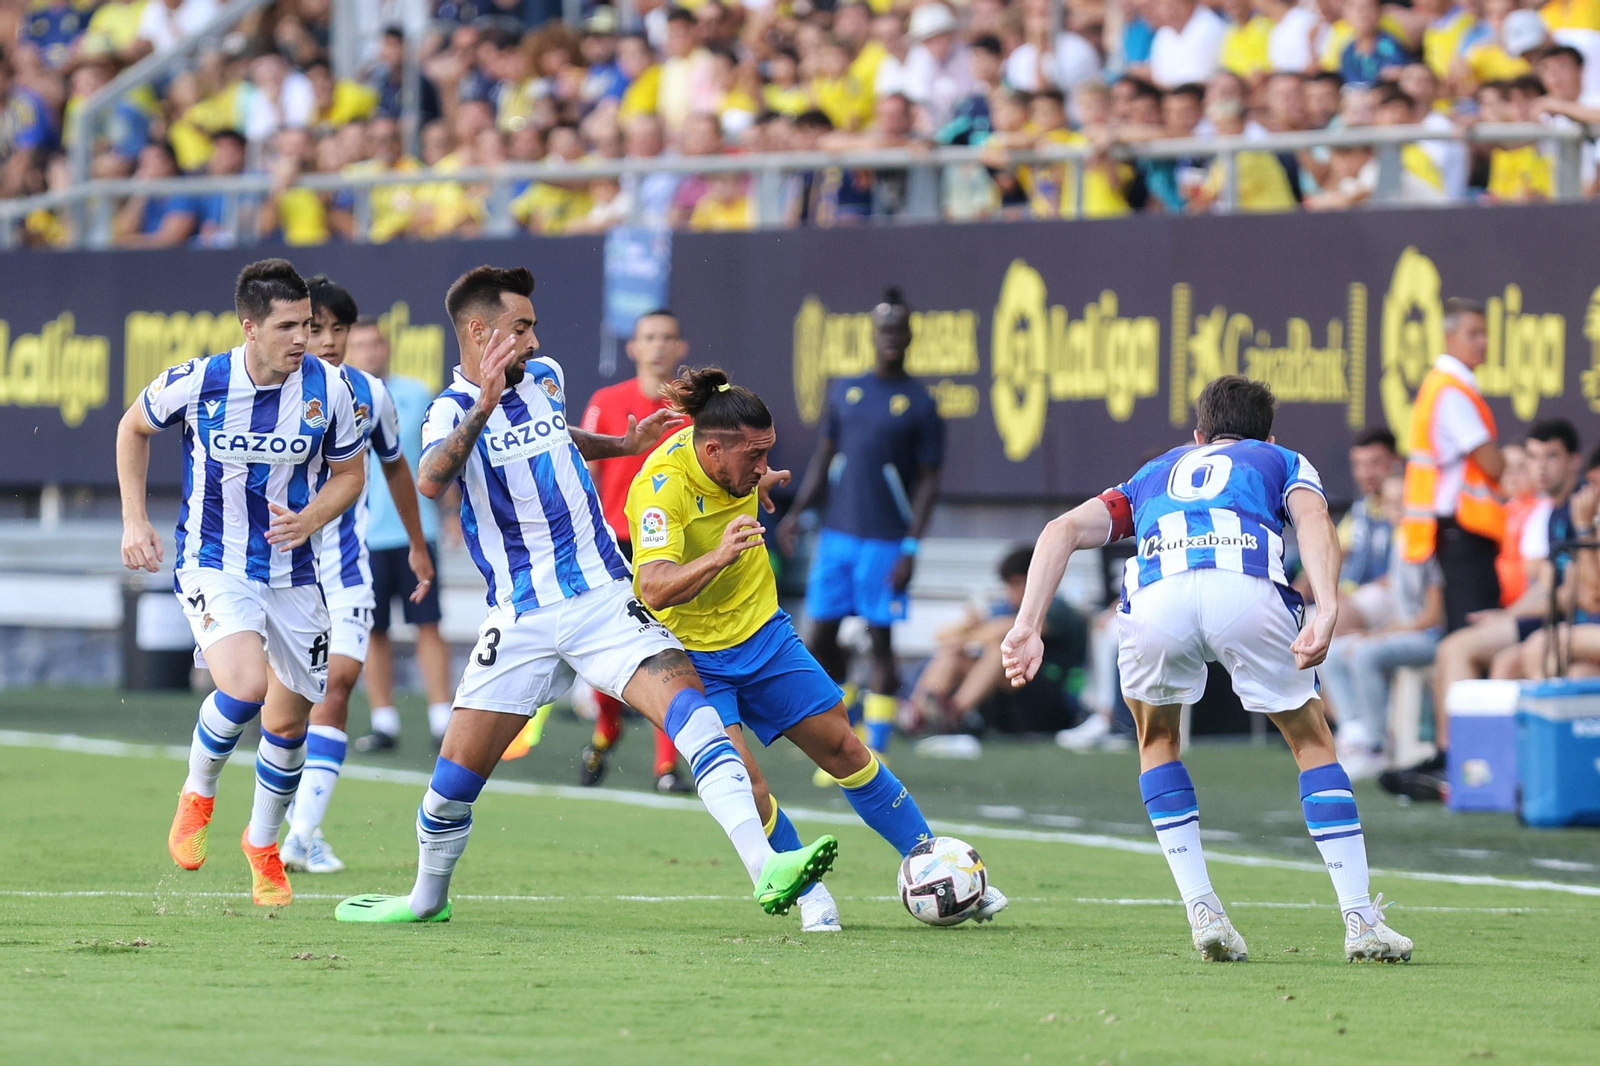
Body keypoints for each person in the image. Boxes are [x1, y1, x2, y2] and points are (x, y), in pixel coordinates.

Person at [334, 266, 836, 925]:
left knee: (696, 716)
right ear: (481, 334)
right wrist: (483, 404)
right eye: (522, 328)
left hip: (604, 596)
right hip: (521, 614)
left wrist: (620, 444)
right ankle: (425, 898)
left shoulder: (546, 379)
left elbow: (553, 439)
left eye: (535, 327)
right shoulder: (450, 410)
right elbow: (430, 479)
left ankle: (765, 867)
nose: (536, 340)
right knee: (452, 781)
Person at [1001, 375, 1413, 964]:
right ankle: (1359, 920)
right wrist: (1325, 607)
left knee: (1157, 739)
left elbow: (1060, 530)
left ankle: (1203, 910)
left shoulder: (1154, 473)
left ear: (1198, 436)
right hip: (1244, 585)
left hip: (1158, 594)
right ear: (1267, 434)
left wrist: (1027, 623)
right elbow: (1314, 521)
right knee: (1311, 741)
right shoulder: (1281, 459)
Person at [627, 367, 1006, 931]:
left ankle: (936, 865)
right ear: (711, 450)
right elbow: (652, 587)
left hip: (763, 634)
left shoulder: (730, 466)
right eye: (753, 458)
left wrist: (755, 484)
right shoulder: (658, 487)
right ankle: (810, 895)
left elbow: (732, 485)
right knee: (747, 784)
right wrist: (718, 556)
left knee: (844, 748)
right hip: (696, 657)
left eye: (766, 454)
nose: (762, 465)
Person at [117, 259, 368, 906]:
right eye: (288, 326)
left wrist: (310, 517)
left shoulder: (332, 389)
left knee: (289, 725)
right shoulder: (201, 381)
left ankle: (262, 844)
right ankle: (198, 794)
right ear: (249, 326)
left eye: (308, 325)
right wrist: (135, 520)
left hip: (294, 575)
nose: (303, 339)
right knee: (247, 686)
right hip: (215, 561)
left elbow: (349, 474)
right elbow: (132, 427)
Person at [279, 279, 434, 874]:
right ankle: (279, 819)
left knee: (337, 682)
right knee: (284, 703)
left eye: (337, 330)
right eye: (316, 329)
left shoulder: (372, 395)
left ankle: (302, 833)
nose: (328, 340)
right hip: (275, 568)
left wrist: (418, 544)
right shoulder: (267, 390)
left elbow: (397, 468)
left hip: (346, 564)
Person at [777, 288, 944, 769]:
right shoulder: (846, 390)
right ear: (872, 335)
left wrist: (911, 545)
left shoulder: (919, 403)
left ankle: (879, 748)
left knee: (881, 639)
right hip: (837, 536)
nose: (891, 338)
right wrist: (798, 513)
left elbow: (929, 481)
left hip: (885, 540)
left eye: (899, 330)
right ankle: (842, 725)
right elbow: (824, 457)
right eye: (883, 329)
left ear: (910, 336)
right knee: (821, 637)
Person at [1384, 418, 1579, 800]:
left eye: (1550, 457)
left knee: (1460, 649)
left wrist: (1508, 615)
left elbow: (1557, 589)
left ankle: (1464, 762)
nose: (1540, 468)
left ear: (1573, 461)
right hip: (1535, 616)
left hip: (1553, 620)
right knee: (1459, 649)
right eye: (1533, 458)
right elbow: (1545, 585)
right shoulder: (1547, 511)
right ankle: (1464, 763)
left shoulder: (1563, 510)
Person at [576, 308, 693, 793]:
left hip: (671, 547)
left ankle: (665, 766)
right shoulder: (607, 401)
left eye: (668, 337)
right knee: (603, 653)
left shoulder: (694, 412)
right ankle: (608, 727)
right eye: (650, 337)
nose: (659, 346)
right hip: (614, 547)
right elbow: (584, 475)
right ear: (634, 348)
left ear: (681, 348)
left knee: (670, 649)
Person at [348, 318, 458, 755]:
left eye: (374, 343)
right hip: (361, 536)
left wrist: (450, 514)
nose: (368, 352)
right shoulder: (339, 400)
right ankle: (384, 720)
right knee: (373, 630)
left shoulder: (416, 393)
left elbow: (441, 459)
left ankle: (440, 718)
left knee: (427, 624)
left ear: (386, 348)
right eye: (359, 345)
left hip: (416, 531)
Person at [1320, 473, 1445, 779]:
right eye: (1391, 504)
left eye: (1403, 503)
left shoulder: (1428, 545)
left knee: (1365, 653)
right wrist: (1377, 633)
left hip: (1429, 638)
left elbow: (1432, 617)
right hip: (1406, 632)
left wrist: (1379, 634)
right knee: (1335, 651)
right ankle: (1354, 732)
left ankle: (1376, 746)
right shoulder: (1400, 543)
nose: (1397, 510)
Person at [1398, 298, 1506, 635]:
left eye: (1485, 333)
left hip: (1452, 532)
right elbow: (1493, 464)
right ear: (1448, 338)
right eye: (1472, 333)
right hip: (1465, 532)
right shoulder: (1452, 392)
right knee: (1472, 634)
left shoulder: (1439, 387)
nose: (1483, 342)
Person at [911, 545, 1086, 735]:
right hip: (1012, 693)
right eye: (1008, 584)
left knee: (998, 650)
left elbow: (1006, 630)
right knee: (952, 655)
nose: (1010, 591)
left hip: (1051, 696)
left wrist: (969, 636)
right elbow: (941, 638)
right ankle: (917, 714)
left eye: (1016, 583)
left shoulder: (1056, 608)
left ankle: (953, 714)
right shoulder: (1005, 608)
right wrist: (967, 626)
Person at [1338, 427, 1401, 632]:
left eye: (1375, 463)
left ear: (1395, 461)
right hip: (1350, 597)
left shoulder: (1406, 507)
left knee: (1337, 619)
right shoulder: (1360, 508)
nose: (1365, 473)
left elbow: (1404, 572)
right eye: (1358, 465)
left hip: (1389, 594)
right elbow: (1334, 553)